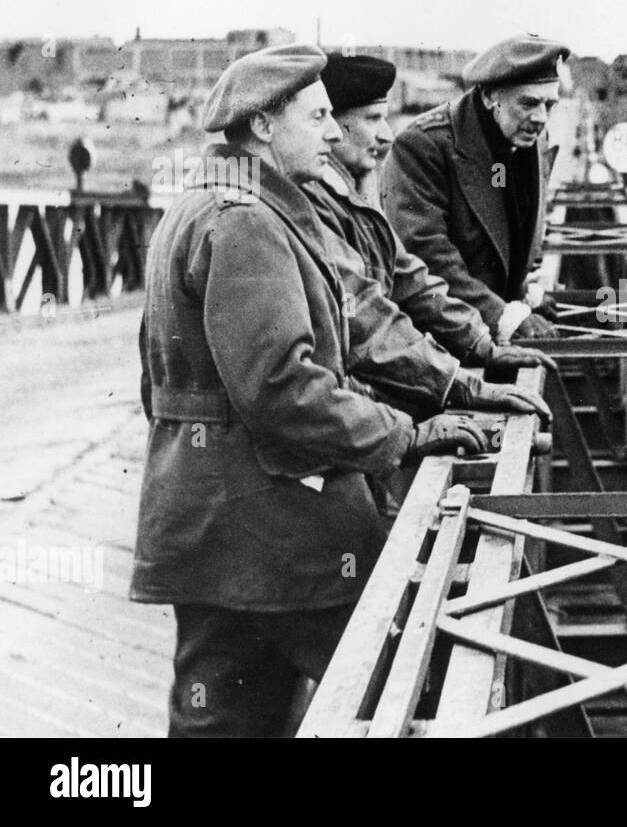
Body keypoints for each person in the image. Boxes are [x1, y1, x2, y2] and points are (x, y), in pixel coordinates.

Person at [133, 45, 495, 737]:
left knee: (224, 719)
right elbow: (284, 391)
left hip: (205, 524)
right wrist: (406, 434)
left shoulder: (202, 203)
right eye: (320, 117)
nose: (334, 134)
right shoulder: (246, 224)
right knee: (401, 690)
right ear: (264, 127)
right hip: (273, 530)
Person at [313, 51, 554, 378]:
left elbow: (409, 278)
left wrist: (506, 312)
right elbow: (417, 266)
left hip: (445, 353)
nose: (386, 134)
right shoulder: (422, 146)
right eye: (372, 118)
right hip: (417, 364)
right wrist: (459, 381)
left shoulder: (351, 190)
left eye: (548, 106)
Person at [382, 34, 571, 344]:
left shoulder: (527, 139)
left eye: (550, 104)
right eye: (528, 103)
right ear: (488, 97)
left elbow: (504, 232)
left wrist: (521, 291)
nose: (540, 118)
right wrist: (501, 314)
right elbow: (426, 255)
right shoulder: (424, 146)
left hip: (497, 332)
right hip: (442, 339)